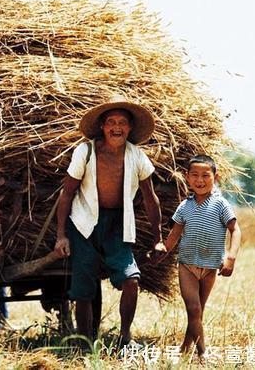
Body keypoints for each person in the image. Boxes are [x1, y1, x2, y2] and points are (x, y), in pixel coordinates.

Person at [54, 95, 165, 346]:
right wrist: (61, 235)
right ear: (102, 127)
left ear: (130, 128)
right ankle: (84, 342)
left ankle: (124, 338)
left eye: (123, 122)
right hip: (83, 223)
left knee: (131, 278)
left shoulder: (136, 156)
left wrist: (158, 240)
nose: (117, 127)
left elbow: (150, 198)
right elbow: (68, 192)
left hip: (117, 225)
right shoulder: (86, 151)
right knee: (83, 288)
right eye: (111, 122)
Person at [158, 154, 242, 358]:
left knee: (197, 313)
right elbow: (174, 235)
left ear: (216, 177)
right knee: (194, 310)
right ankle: (202, 354)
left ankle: (184, 350)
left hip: (211, 267)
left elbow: (236, 230)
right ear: (187, 177)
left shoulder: (221, 204)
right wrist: (161, 250)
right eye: (194, 175)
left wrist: (230, 257)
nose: (200, 180)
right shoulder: (184, 207)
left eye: (206, 175)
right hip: (187, 265)